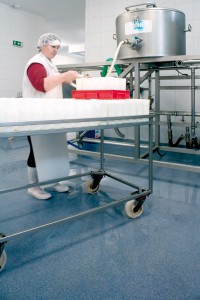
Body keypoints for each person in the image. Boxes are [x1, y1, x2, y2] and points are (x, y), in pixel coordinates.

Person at [22, 33, 80, 200]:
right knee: (37, 151)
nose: (56, 50)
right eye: (53, 46)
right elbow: (41, 85)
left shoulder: (50, 64)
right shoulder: (36, 63)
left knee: (53, 149)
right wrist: (64, 76)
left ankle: (52, 182)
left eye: (58, 47)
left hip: (50, 114)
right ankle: (34, 187)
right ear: (42, 45)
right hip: (35, 115)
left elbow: (55, 83)